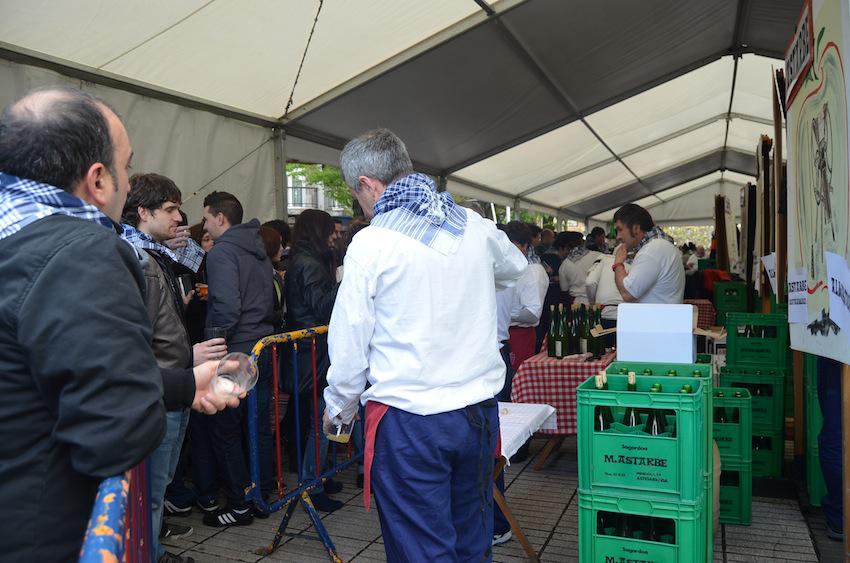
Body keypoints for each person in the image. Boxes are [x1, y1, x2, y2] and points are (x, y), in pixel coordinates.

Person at [0, 86, 237, 561]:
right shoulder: (84, 251)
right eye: (126, 167)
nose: (128, 184)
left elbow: (46, 373)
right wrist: (145, 400)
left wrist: (182, 384)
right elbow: (116, 431)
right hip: (45, 535)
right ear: (98, 179)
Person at [322, 129, 527, 560]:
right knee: (472, 539)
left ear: (368, 184)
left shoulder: (372, 242)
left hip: (409, 418)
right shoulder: (472, 224)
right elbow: (515, 268)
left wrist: (339, 409)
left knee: (421, 549)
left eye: (355, 194)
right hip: (476, 412)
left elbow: (350, 340)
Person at [121, 173, 229, 562]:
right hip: (160, 390)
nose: (179, 217)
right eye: (170, 209)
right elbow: (134, 340)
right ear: (142, 211)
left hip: (171, 384)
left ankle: (153, 549)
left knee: (159, 485)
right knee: (151, 491)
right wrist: (187, 358)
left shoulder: (155, 255)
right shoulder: (136, 259)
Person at [202, 190, 276, 526]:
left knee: (225, 427)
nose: (204, 226)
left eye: (206, 219)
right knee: (258, 426)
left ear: (220, 218)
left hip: (235, 352)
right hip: (263, 346)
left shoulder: (222, 253)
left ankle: (239, 503)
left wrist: (211, 346)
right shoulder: (257, 249)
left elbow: (227, 309)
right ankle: (261, 495)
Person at [284, 209, 342, 511]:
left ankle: (319, 475)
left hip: (314, 352)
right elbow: (322, 308)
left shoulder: (309, 260)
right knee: (320, 422)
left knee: (320, 419)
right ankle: (312, 484)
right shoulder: (308, 263)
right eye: (331, 230)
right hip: (313, 354)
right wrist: (345, 281)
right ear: (319, 231)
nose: (335, 236)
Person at [612, 203, 684, 304]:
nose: (618, 237)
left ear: (636, 229)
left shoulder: (651, 250)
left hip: (656, 314)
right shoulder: (659, 245)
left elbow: (627, 293)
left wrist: (618, 264)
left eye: (620, 230)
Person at [586, 248, 630, 349]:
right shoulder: (638, 264)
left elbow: (590, 282)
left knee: (602, 352)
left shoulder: (603, 259)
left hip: (604, 314)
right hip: (626, 317)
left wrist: (593, 303)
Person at [559, 231, 602, 305]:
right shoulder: (599, 256)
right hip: (598, 301)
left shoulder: (564, 265)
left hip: (577, 303)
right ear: (583, 242)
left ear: (567, 246)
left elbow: (564, 289)